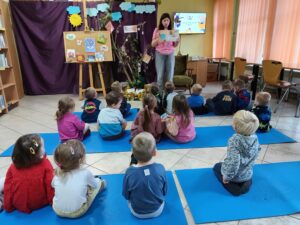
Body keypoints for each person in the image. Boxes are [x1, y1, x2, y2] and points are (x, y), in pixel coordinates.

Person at [52, 139, 106, 218]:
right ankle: (102, 183)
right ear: (80, 160)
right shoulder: (85, 173)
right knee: (98, 183)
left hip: (57, 210)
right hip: (77, 212)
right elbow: (95, 185)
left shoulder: (57, 174)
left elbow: (53, 185)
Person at [213, 110, 260, 196]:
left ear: (235, 127)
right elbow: (256, 154)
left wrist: (226, 177)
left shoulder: (234, 140)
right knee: (238, 171)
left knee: (216, 167)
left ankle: (236, 188)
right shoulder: (255, 137)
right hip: (247, 173)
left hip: (234, 176)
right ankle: (245, 182)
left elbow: (234, 163)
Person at [3, 134, 54, 213]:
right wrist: (53, 202)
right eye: (43, 147)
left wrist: (8, 206)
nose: (45, 149)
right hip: (40, 203)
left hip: (19, 204)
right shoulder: (45, 164)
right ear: (37, 153)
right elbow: (50, 185)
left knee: (4, 181)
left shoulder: (13, 167)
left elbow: (8, 187)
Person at [123, 132, 167, 219]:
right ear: (154, 152)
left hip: (136, 212)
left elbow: (126, 195)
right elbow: (164, 191)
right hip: (157, 211)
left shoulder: (129, 172)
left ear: (133, 154)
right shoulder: (160, 168)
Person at [152, 13, 179, 89]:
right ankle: (160, 96)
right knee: (160, 76)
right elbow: (152, 44)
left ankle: (169, 94)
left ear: (170, 21)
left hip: (170, 53)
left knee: (170, 76)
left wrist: (177, 40)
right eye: (164, 20)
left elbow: (174, 45)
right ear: (161, 21)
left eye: (167, 20)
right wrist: (158, 38)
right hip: (160, 53)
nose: (166, 22)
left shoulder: (172, 31)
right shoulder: (157, 30)